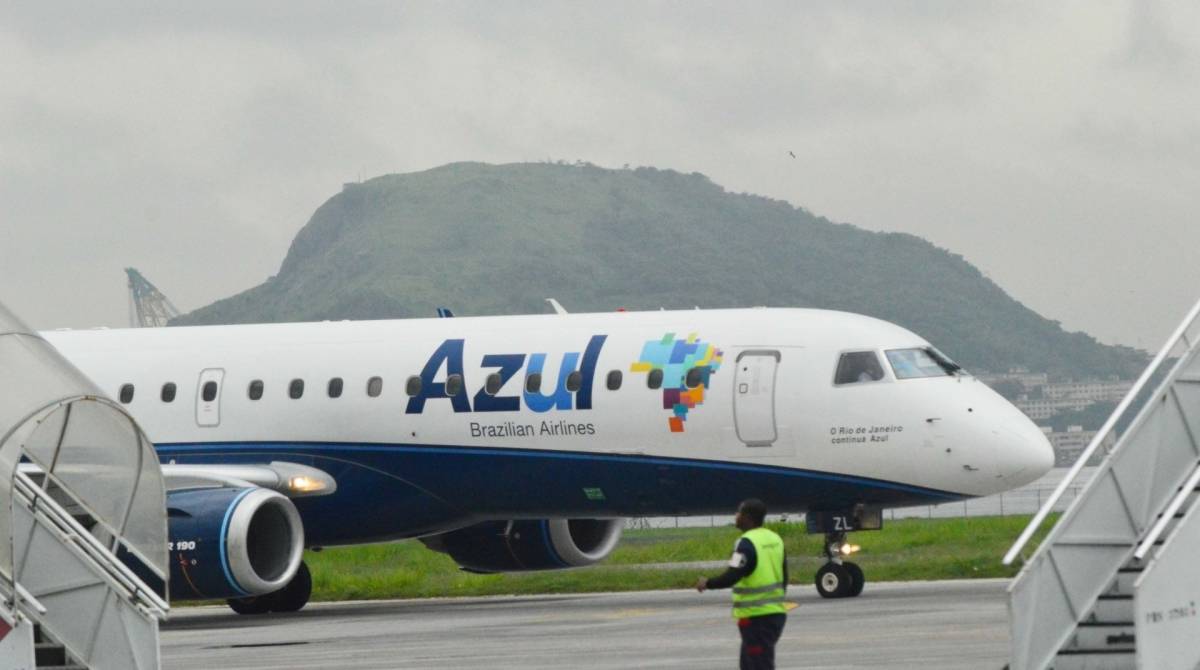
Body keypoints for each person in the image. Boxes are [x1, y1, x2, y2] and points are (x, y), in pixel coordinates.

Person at [696, 498, 789, 669]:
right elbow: (784, 577)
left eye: (738, 512)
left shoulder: (746, 543)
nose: (736, 516)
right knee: (750, 663)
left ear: (747, 517)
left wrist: (707, 583)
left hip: (756, 618)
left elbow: (732, 576)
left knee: (758, 664)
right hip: (776, 615)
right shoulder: (775, 539)